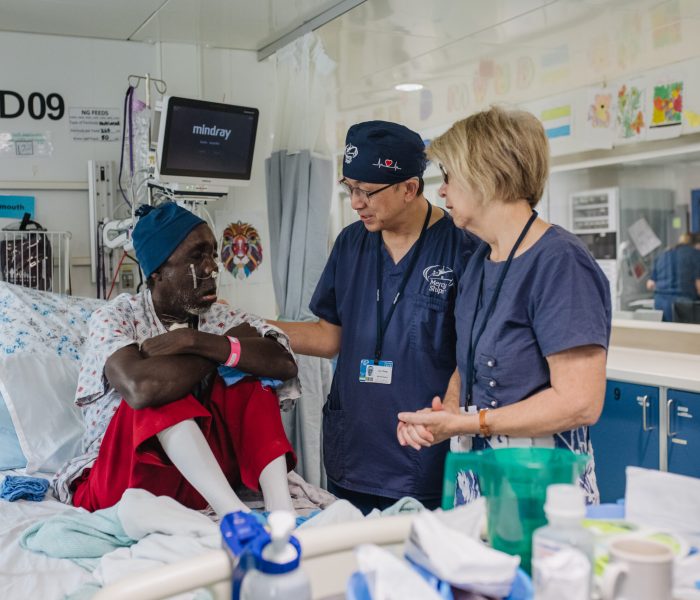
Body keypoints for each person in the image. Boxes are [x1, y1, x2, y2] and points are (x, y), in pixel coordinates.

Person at [397, 106, 611, 504]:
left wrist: (470, 422)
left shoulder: (560, 262)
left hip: (542, 481)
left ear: (485, 175)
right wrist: (445, 416)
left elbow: (580, 402)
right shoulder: (480, 260)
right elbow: (468, 360)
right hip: (479, 473)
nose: (441, 191)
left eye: (448, 177)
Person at [268, 121, 478, 513]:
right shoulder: (351, 244)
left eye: (366, 191)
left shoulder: (461, 248)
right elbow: (330, 337)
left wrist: (449, 410)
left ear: (409, 188)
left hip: (422, 457)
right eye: (348, 188)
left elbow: (472, 353)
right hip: (354, 453)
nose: (355, 202)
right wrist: (255, 327)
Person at [52, 202, 299, 517]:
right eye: (197, 257)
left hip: (196, 485)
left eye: (212, 254)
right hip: (123, 482)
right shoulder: (117, 317)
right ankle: (236, 517)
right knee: (160, 389)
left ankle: (281, 510)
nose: (212, 267)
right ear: (157, 272)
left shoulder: (219, 317)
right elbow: (141, 388)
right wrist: (220, 351)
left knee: (250, 375)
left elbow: (283, 361)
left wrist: (196, 341)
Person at [645, 233, 700, 321]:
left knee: (664, 333)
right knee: (684, 334)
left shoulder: (663, 254)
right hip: (683, 305)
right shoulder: (696, 254)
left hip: (660, 303)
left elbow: (650, 284)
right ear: (697, 244)